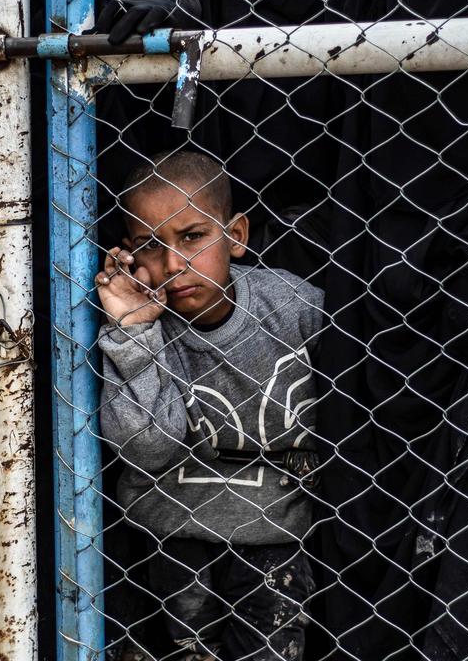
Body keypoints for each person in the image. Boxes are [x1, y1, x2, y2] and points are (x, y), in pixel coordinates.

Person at [95, 150, 323, 661]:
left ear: (236, 236)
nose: (174, 265)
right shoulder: (137, 327)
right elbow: (147, 447)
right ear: (127, 256)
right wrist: (132, 332)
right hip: (162, 539)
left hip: (273, 539)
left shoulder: (293, 307)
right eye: (151, 246)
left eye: (193, 238)